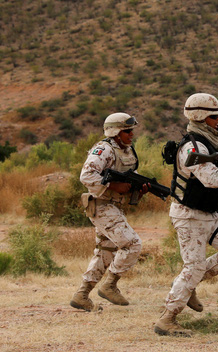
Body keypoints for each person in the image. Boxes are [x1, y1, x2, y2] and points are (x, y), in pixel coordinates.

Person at [154, 93, 218, 337]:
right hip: (189, 214)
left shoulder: (213, 143)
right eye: (214, 116)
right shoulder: (192, 146)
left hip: (210, 213)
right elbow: (211, 179)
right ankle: (167, 318)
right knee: (194, 266)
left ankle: (187, 285)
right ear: (200, 116)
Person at [70, 112, 147, 311]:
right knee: (132, 244)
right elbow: (86, 176)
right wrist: (113, 186)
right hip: (102, 205)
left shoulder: (127, 151)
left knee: (105, 251)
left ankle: (82, 295)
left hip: (113, 207)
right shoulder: (103, 149)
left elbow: (129, 176)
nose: (131, 135)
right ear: (115, 132)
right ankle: (109, 285)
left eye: (131, 131)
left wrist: (139, 187)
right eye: (127, 131)